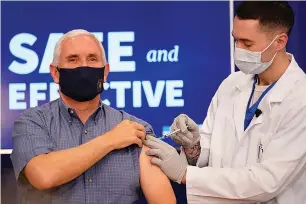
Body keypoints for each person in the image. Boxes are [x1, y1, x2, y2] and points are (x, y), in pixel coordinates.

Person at [144, 1, 306, 203]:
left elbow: (267, 182)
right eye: (235, 40)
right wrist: (194, 146)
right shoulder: (232, 84)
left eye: (247, 44)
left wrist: (185, 174)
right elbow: (213, 152)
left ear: (280, 41)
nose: (238, 49)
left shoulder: (300, 98)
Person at [10, 29, 176, 204]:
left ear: (105, 71)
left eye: (92, 59)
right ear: (55, 72)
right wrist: (110, 140)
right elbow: (43, 175)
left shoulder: (135, 129)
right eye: (73, 59)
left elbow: (164, 201)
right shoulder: (32, 122)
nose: (84, 67)